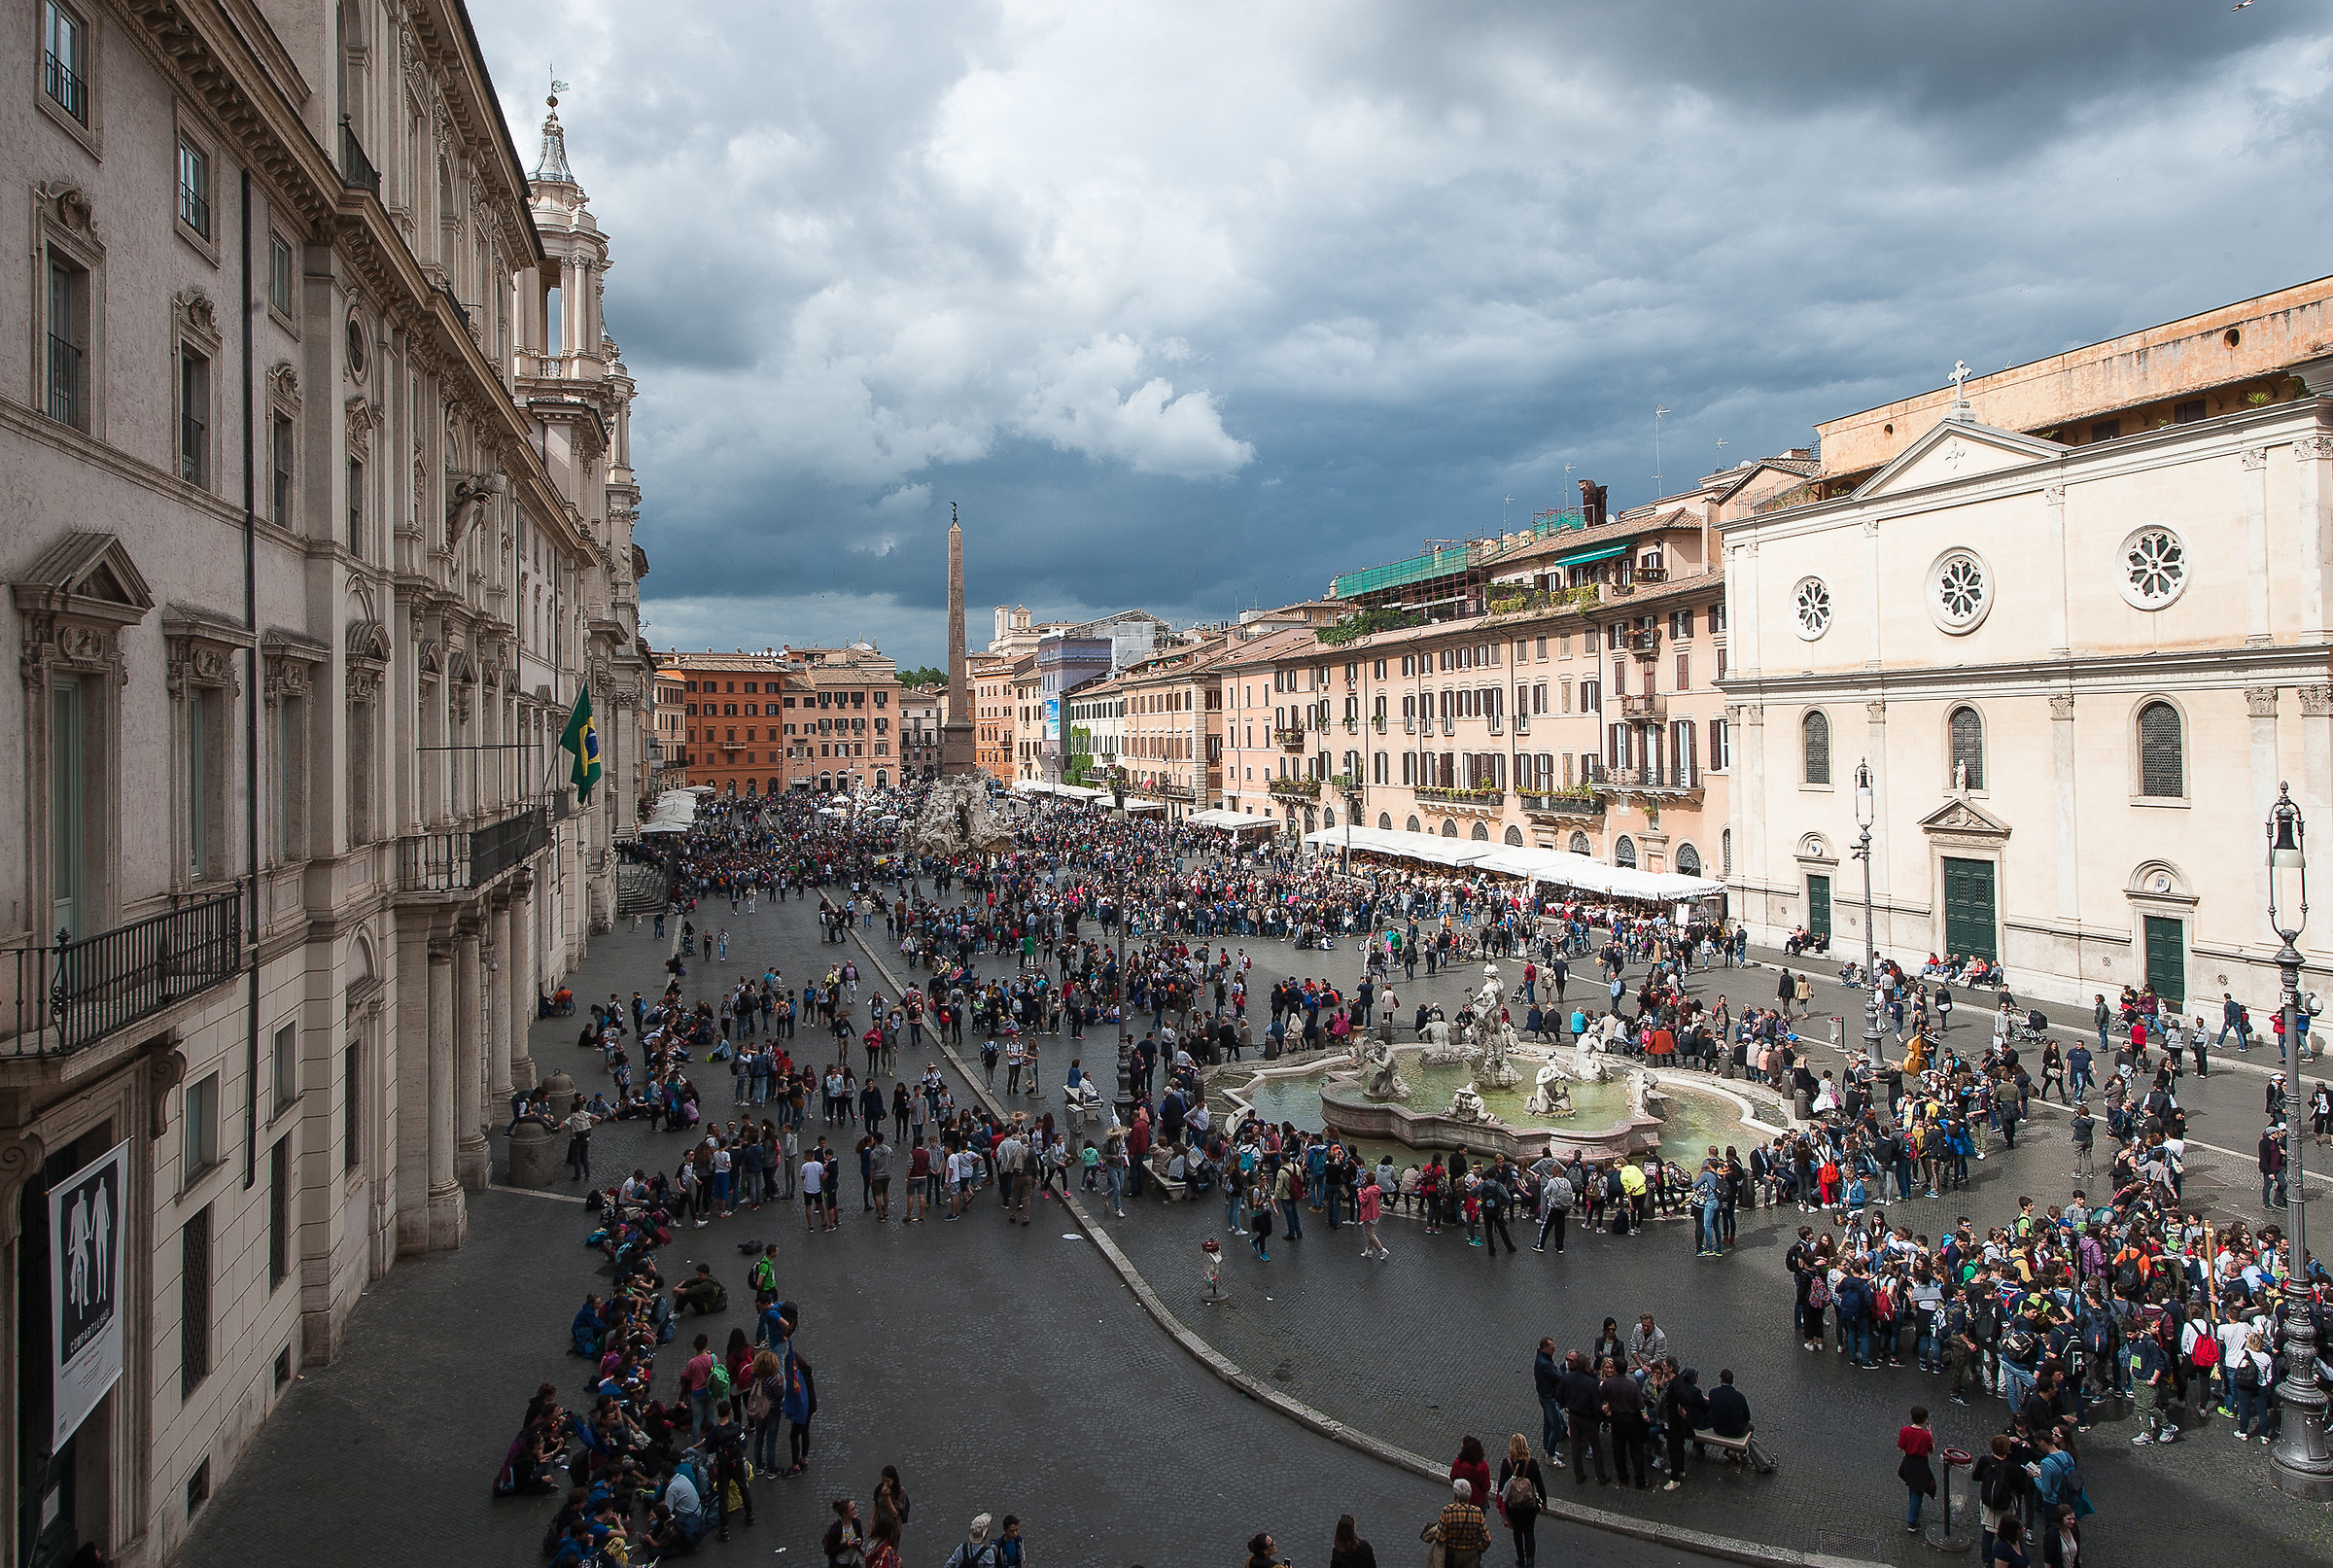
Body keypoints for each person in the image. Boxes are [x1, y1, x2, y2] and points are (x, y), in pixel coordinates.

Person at [1495, 1432, 1546, 1568]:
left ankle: (1520, 1559)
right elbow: (1539, 1484)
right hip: (1529, 1505)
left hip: (1513, 1506)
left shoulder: (1507, 1463)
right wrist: (1544, 1501)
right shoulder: (1532, 1463)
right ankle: (1530, 1561)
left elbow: (1501, 1486)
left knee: (1517, 1532)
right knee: (1529, 1532)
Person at [1431, 1480, 1491, 1568]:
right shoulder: (1477, 1512)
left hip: (1453, 1554)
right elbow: (1487, 1539)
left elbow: (1439, 1538)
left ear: (1455, 1495)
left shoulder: (1448, 1511)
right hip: (1471, 1556)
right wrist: (1479, 1548)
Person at [1898, 1406, 1937, 1534]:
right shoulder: (1926, 1436)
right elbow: (1931, 1451)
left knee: (1911, 1487)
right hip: (1921, 1464)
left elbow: (1900, 1448)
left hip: (1908, 1462)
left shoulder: (1905, 1430)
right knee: (1918, 1491)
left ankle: (1913, 1509)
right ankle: (1912, 1521)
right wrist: (1930, 1434)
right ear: (1925, 1420)